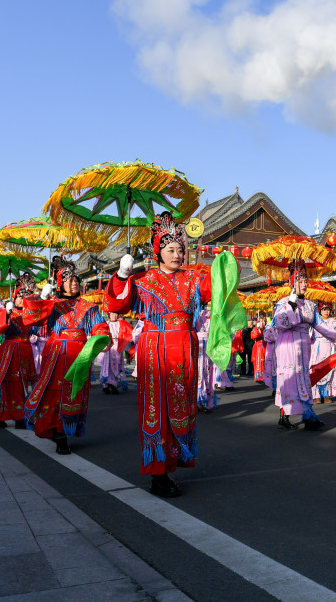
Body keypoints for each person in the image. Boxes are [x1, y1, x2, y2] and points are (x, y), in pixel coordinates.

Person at [105, 213, 218, 497]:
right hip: (156, 349)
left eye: (180, 249)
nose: (178, 254)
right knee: (158, 409)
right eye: (170, 250)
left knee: (181, 407)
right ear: (157, 252)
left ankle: (171, 463)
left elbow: (216, 287)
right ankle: (157, 473)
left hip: (185, 348)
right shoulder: (143, 279)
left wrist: (222, 266)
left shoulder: (192, 278)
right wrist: (121, 275)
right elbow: (116, 304)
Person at [25, 257, 108, 455]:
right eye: (69, 280)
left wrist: (101, 337)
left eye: (76, 280)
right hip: (57, 353)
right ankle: (59, 434)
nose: (74, 284)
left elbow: (99, 326)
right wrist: (42, 300)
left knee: (74, 393)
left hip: (80, 353)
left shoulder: (88, 307)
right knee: (55, 393)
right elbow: (33, 321)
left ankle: (66, 430)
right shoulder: (53, 305)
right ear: (60, 283)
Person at [270, 261, 336, 430]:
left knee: (303, 379)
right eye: (300, 280)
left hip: (304, 345)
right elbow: (279, 323)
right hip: (288, 344)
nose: (304, 284)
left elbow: (321, 326)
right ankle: (284, 415)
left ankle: (308, 415)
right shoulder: (283, 303)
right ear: (292, 282)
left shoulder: (310, 305)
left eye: (306, 280)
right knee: (290, 378)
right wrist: (291, 306)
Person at [0, 275, 39, 429]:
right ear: (14, 298)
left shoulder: (30, 314)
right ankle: (16, 416)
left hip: (26, 350)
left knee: (23, 383)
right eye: (20, 297)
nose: (23, 300)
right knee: (11, 384)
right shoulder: (8, 313)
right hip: (10, 351)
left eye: (26, 297)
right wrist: (7, 314)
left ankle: (15, 415)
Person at [310, 302, 336, 403]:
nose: (326, 312)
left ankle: (326, 394)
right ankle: (316, 395)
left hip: (330, 347)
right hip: (317, 347)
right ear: (320, 310)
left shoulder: (334, 322)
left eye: (328, 309)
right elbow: (309, 334)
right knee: (317, 369)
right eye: (324, 309)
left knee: (329, 370)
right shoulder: (315, 321)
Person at [99, 311, 132, 395]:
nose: (114, 315)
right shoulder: (105, 324)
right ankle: (107, 385)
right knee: (107, 366)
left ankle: (113, 385)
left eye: (116, 314)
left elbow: (128, 334)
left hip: (118, 347)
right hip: (108, 347)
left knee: (117, 366)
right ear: (108, 315)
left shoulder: (122, 324)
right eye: (112, 314)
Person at [251, 315, 267, 386]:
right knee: (259, 361)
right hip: (258, 347)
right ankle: (259, 377)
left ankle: (266, 377)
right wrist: (259, 328)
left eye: (263, 321)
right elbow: (253, 336)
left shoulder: (267, 328)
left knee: (265, 361)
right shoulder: (256, 329)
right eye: (261, 321)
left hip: (265, 346)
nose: (262, 322)